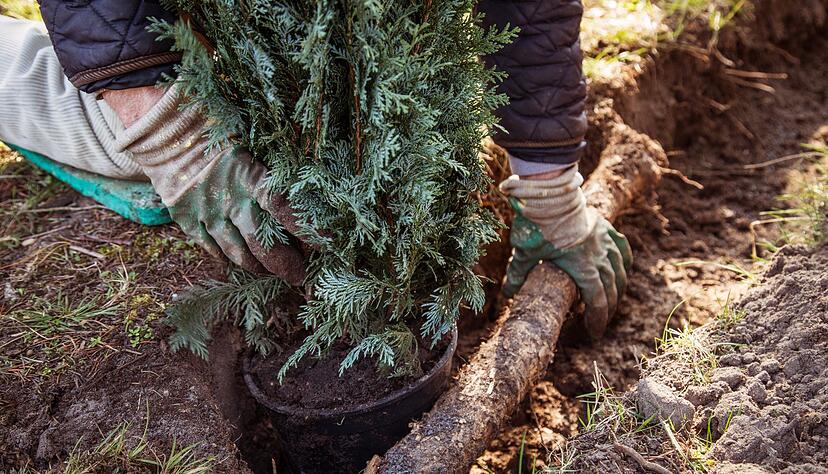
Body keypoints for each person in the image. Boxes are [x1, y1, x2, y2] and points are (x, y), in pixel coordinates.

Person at [0, 0, 630, 338]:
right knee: (120, 143)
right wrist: (170, 136)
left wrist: (550, 187)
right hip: (197, 42)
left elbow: (529, 12)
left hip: (364, 49)